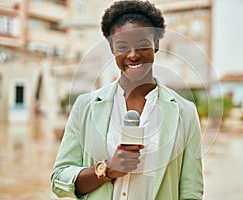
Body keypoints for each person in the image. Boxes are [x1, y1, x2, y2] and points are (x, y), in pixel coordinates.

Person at [51, 0, 203, 199]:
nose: (133, 55)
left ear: (155, 45)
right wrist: (107, 169)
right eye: (123, 46)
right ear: (112, 48)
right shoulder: (85, 107)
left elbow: (191, 193)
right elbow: (59, 180)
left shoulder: (185, 112)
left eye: (142, 45)